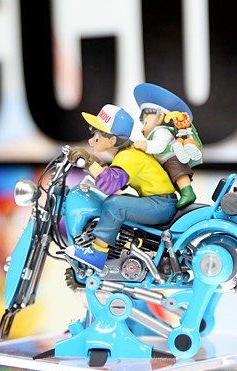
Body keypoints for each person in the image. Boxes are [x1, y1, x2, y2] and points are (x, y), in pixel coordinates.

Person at [64, 104, 178, 271]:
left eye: (96, 136)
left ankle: (97, 254)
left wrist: (88, 161)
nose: (91, 140)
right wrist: (94, 162)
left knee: (114, 204)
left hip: (160, 205)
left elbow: (110, 184)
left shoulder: (129, 156)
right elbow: (117, 179)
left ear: (112, 140)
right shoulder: (126, 154)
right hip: (158, 202)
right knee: (118, 201)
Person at [133, 83, 201, 208]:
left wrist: (145, 145)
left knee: (178, 174)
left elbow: (160, 146)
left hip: (171, 158)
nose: (142, 129)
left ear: (158, 117)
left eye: (146, 122)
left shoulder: (161, 131)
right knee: (174, 179)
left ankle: (188, 192)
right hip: (164, 162)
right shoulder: (156, 133)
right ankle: (183, 194)